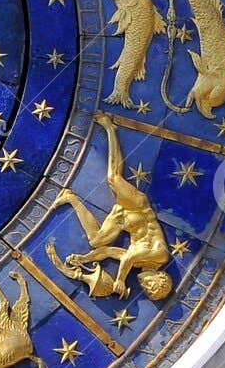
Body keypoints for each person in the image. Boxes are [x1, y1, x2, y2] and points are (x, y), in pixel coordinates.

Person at [46, 113, 174, 300]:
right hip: (138, 208)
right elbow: (129, 258)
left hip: (124, 221)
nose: (145, 287)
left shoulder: (139, 264)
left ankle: (70, 198)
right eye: (151, 286)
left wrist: (84, 259)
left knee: (96, 241)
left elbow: (107, 251)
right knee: (114, 178)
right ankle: (109, 128)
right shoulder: (160, 255)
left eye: (147, 291)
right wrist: (120, 279)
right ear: (160, 277)